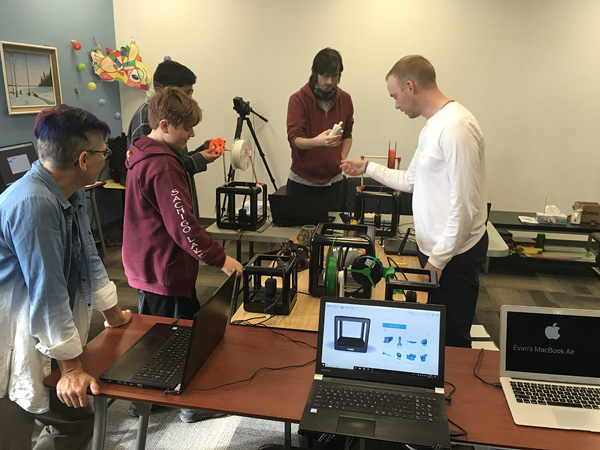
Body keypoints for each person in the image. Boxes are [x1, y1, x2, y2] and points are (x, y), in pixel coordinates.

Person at [0, 105, 132, 449]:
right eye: (104, 152)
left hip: (40, 328)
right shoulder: (34, 204)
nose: (106, 158)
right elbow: (48, 291)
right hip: (12, 332)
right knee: (15, 432)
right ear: (83, 160)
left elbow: (88, 255)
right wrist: (71, 369)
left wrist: (112, 314)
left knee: (76, 419)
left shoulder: (70, 191)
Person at [341, 55, 488, 348]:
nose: (396, 105)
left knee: (452, 341)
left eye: (395, 96)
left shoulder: (456, 128)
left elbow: (465, 208)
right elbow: (411, 180)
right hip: (434, 251)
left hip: (453, 256)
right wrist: (368, 168)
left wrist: (437, 261)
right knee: (431, 335)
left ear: (410, 86)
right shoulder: (431, 126)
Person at [122, 86, 243, 422]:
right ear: (164, 125)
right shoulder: (163, 167)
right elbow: (183, 225)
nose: (191, 134)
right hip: (164, 266)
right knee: (182, 336)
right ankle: (187, 403)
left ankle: (144, 400)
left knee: (158, 334)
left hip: (147, 263)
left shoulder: (141, 151)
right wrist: (219, 258)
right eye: (187, 128)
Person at [128, 59, 220, 216]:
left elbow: (175, 160)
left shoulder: (165, 117)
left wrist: (200, 152)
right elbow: (162, 171)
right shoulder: (147, 118)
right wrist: (199, 159)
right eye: (187, 93)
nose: (190, 98)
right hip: (165, 215)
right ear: (168, 91)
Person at [286, 47, 354, 211]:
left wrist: (341, 158)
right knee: (299, 228)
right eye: (325, 75)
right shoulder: (298, 100)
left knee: (331, 227)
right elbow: (294, 140)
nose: (329, 81)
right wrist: (317, 141)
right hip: (301, 183)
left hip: (334, 184)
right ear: (315, 73)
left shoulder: (345, 99)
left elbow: (347, 134)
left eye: (334, 76)